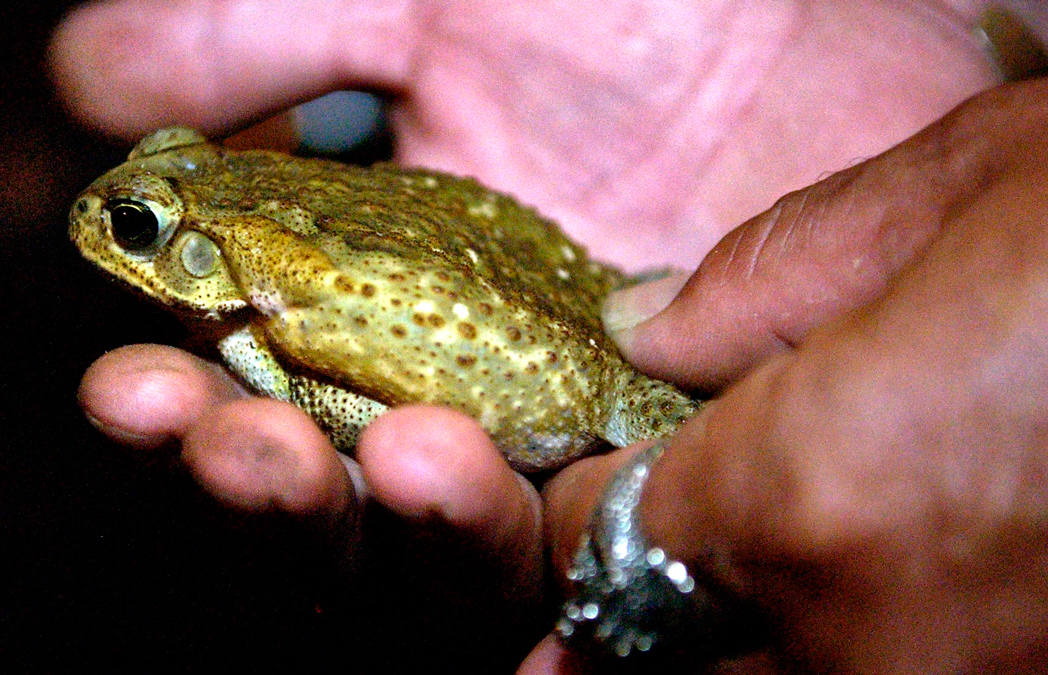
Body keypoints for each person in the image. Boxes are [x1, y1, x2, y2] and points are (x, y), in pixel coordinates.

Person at [51, 1, 1048, 672]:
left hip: (581, 376)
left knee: (755, 480)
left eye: (141, 226)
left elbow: (344, 405)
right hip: (561, 291)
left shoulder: (264, 339)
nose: (108, 223)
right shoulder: (265, 275)